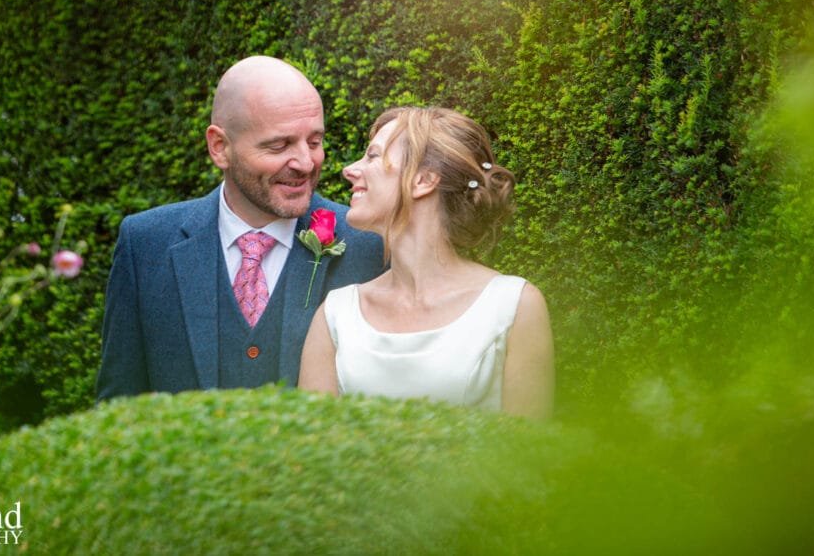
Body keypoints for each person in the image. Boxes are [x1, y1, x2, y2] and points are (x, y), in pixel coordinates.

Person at [96, 56, 384, 400]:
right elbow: (119, 403)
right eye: (279, 145)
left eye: (314, 141)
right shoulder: (145, 243)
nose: (306, 163)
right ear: (220, 147)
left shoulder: (369, 246)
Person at [299, 106, 554, 419]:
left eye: (374, 156)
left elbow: (530, 453)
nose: (349, 170)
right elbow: (312, 450)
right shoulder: (336, 313)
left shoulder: (513, 306)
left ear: (423, 180)